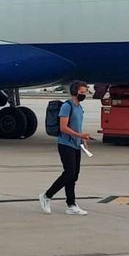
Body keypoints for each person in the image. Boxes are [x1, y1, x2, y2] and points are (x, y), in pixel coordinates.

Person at [40, 81, 92, 216]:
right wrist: (79, 135)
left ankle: (71, 205)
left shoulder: (79, 107)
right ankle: (46, 195)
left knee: (74, 175)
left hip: (76, 145)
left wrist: (82, 139)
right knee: (69, 173)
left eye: (85, 92)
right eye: (82, 92)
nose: (84, 95)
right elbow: (63, 128)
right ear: (74, 92)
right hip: (65, 144)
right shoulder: (66, 106)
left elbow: (77, 126)